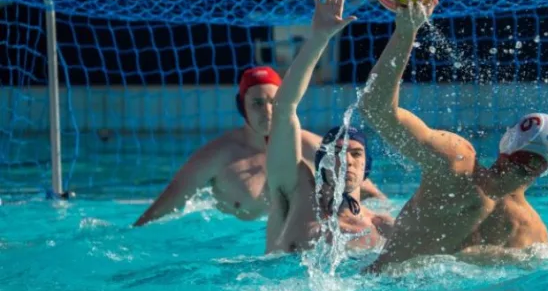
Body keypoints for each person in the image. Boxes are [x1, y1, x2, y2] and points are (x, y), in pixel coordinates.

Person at [358, 0, 548, 272]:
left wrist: (406, 32)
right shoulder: (533, 237)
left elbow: (375, 109)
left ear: (506, 142)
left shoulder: (454, 163)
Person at [133, 65, 386, 227]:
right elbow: (166, 205)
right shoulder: (218, 155)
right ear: (241, 106)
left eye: (273, 102)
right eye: (257, 103)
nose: (267, 112)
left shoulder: (313, 147)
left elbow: (370, 193)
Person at [266, 0, 394, 253]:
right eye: (336, 152)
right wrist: (319, 38)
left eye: (356, 153)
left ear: (366, 166)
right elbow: (283, 109)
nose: (346, 160)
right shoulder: (297, 198)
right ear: (321, 162)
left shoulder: (382, 228)